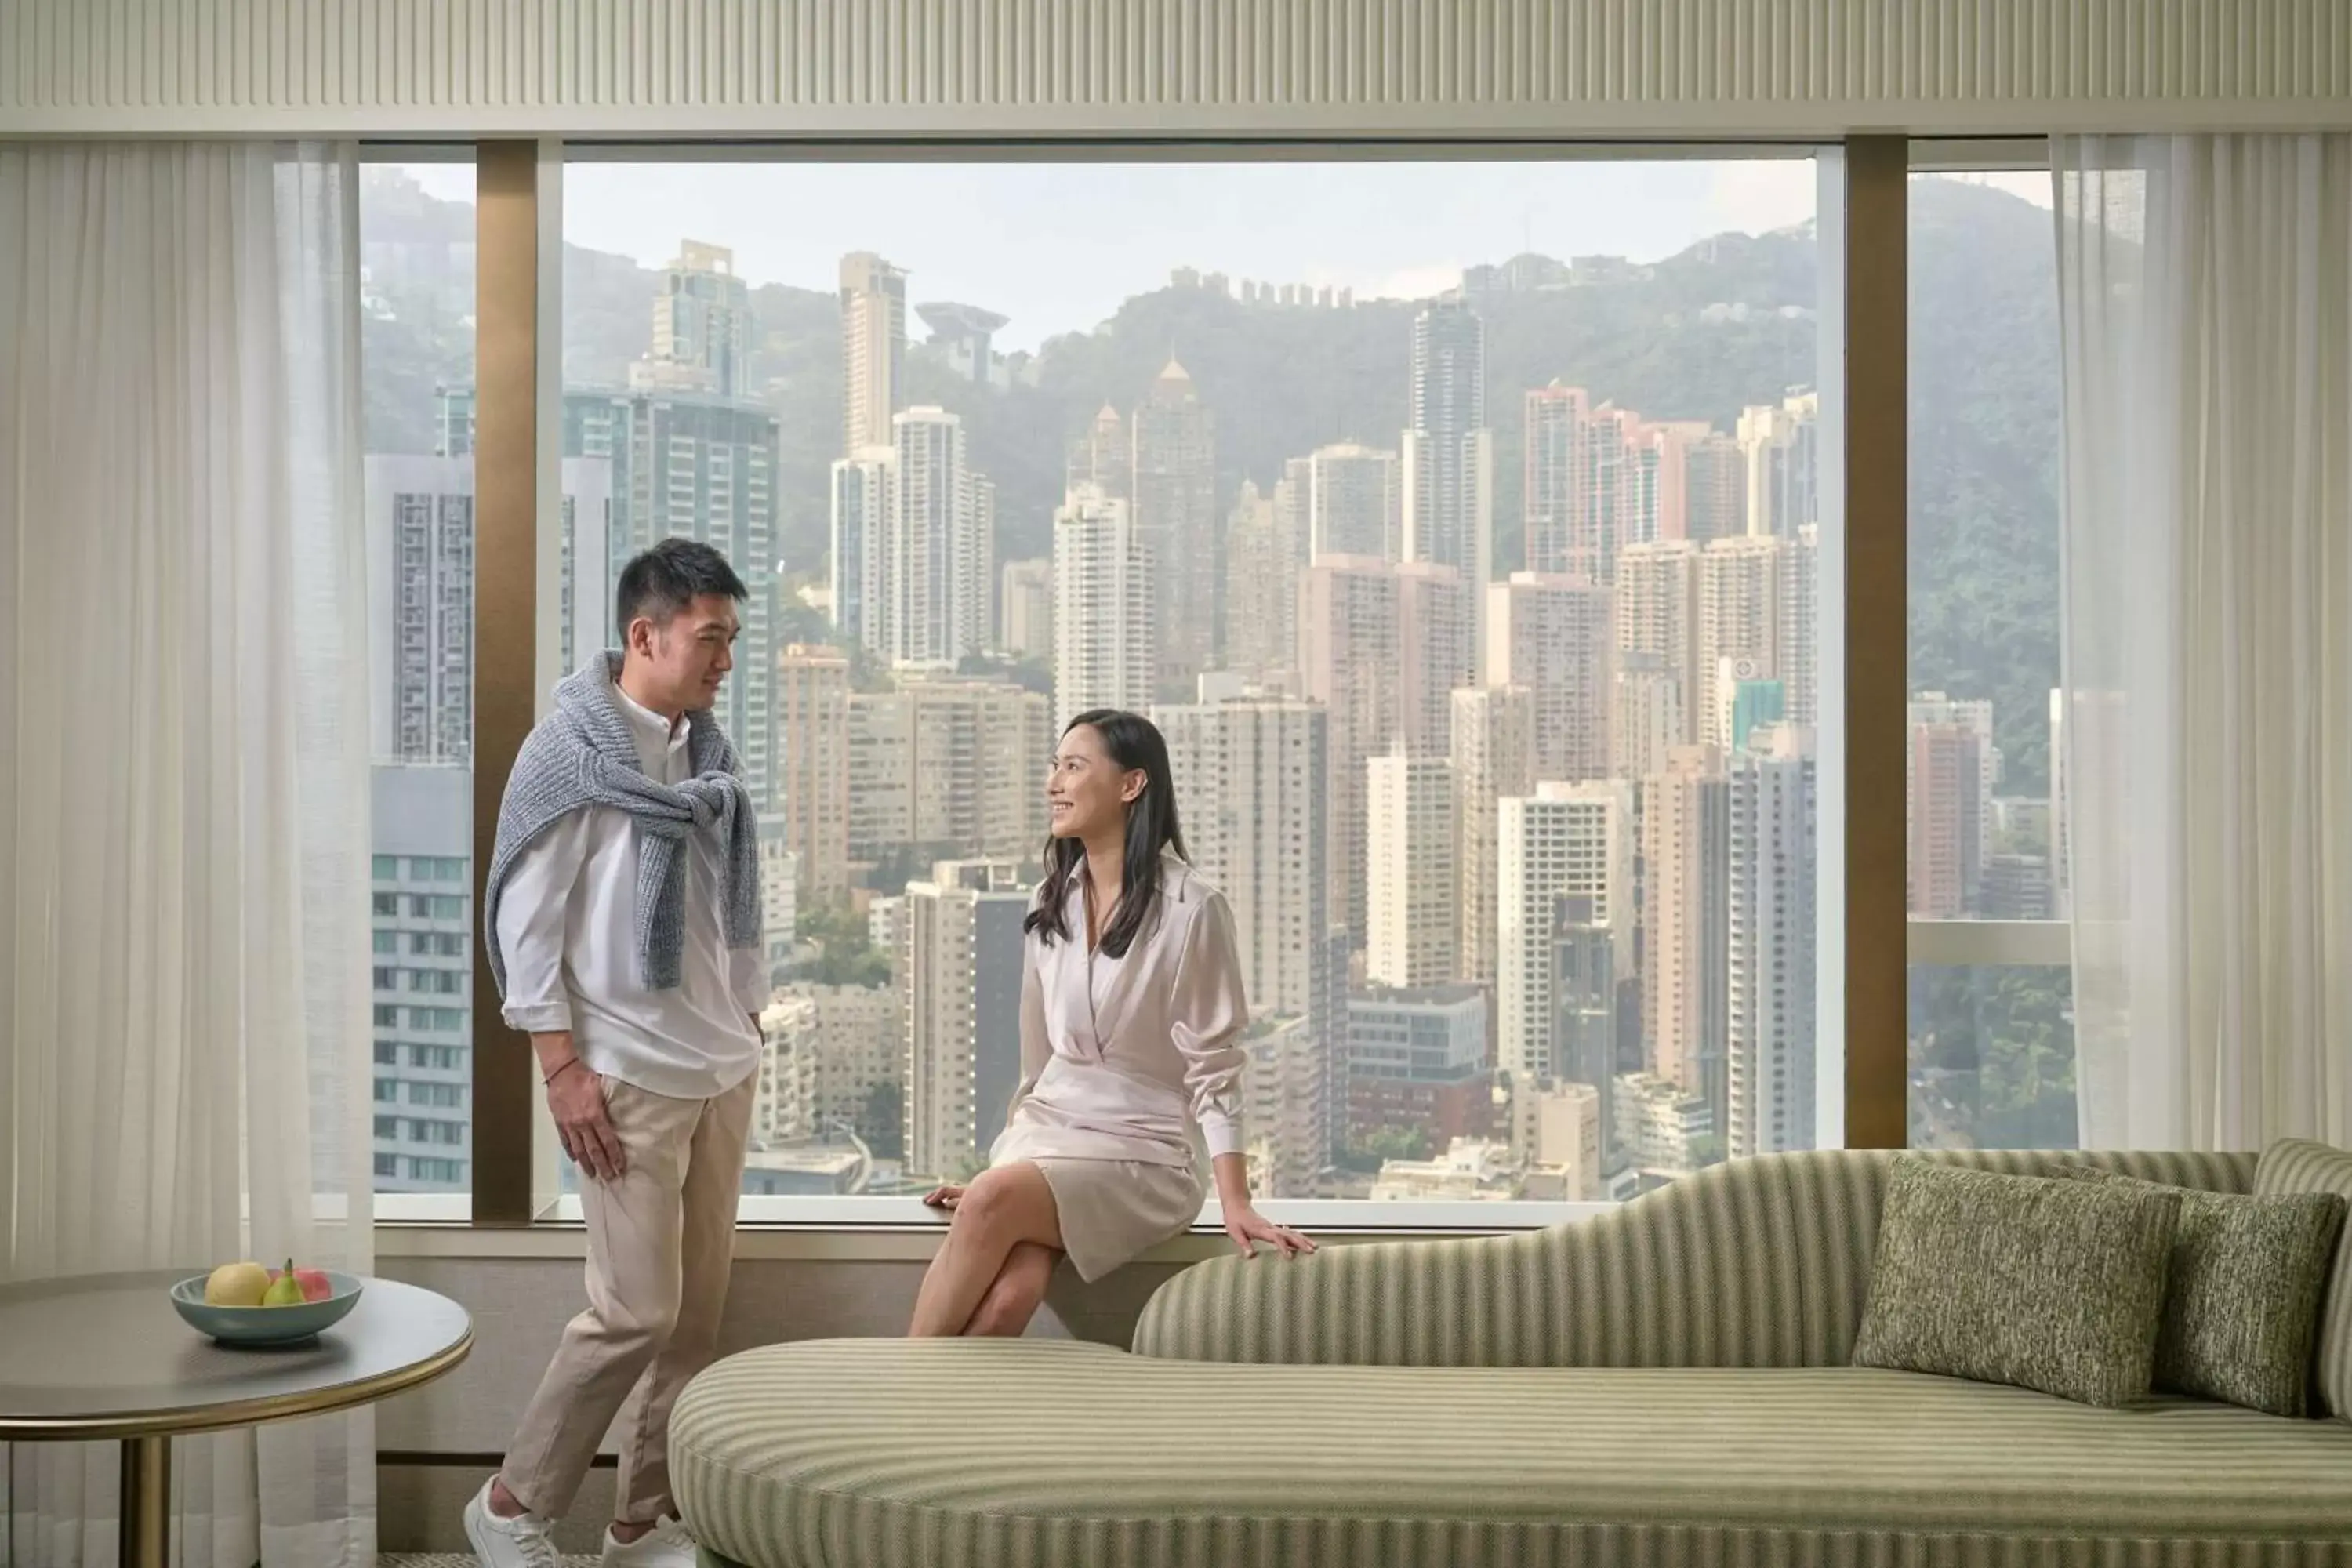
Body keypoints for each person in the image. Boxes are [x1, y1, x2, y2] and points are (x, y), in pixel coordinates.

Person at [464, 539, 765, 1568]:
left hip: (720, 1068)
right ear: (647, 634)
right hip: (628, 1075)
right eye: (711, 638)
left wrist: (751, 1020)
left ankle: (643, 1520)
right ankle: (511, 1502)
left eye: (732, 639)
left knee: (693, 1321)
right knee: (634, 1310)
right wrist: (560, 1067)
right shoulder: (572, 757)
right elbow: (524, 925)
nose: (725, 659)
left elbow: (728, 915)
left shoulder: (705, 757)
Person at [912, 709, 1315, 1338]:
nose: (1054, 783)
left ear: (1131, 785)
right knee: (1007, 1301)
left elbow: (1215, 1066)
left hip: (1145, 1155)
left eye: (1073, 767)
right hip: (1050, 1141)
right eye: (1054, 766)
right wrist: (1013, 1172)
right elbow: (1038, 1062)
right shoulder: (1050, 902)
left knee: (993, 1212)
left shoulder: (1193, 910)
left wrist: (1236, 1200)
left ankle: (896, 1399)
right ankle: (946, 1431)